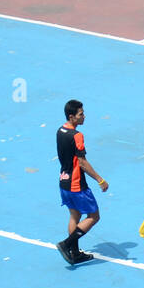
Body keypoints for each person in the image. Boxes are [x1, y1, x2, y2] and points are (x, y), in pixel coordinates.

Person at [56, 100, 108, 266]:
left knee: (75, 215)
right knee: (94, 216)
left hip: (63, 181)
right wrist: (100, 179)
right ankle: (67, 244)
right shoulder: (77, 136)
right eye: (80, 114)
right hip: (77, 185)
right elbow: (82, 162)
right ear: (72, 117)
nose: (84, 116)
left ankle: (75, 254)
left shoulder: (60, 131)